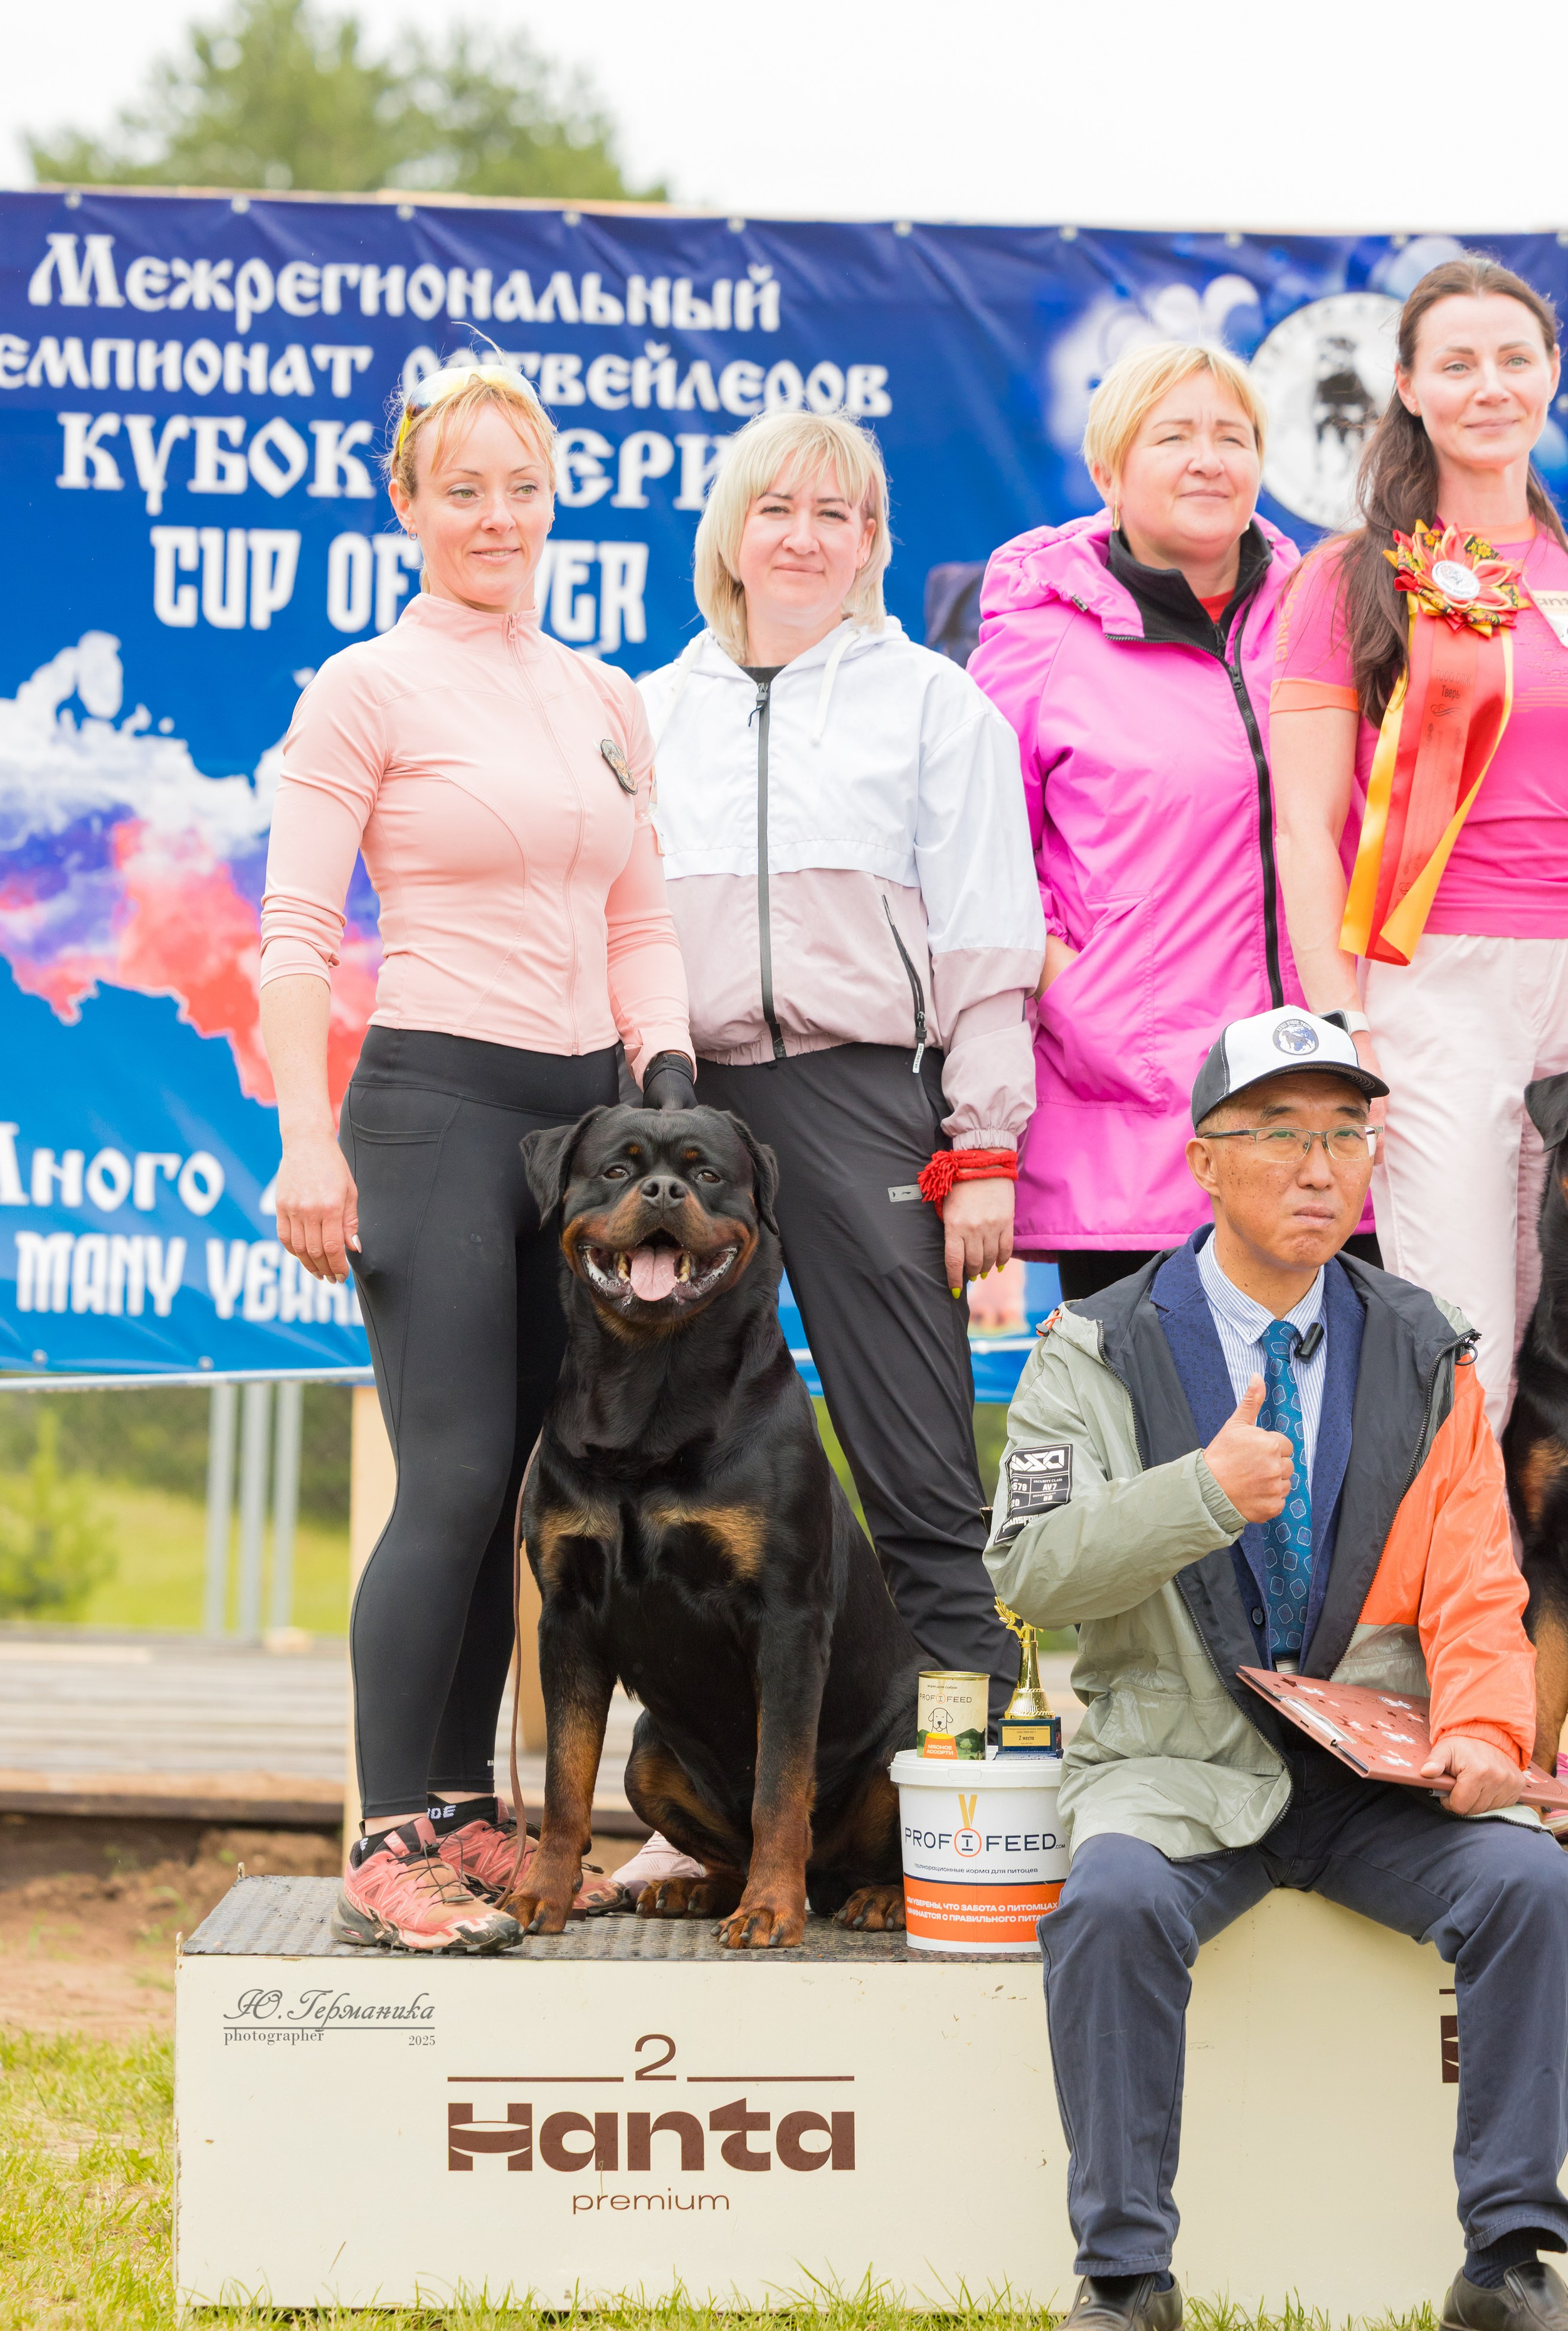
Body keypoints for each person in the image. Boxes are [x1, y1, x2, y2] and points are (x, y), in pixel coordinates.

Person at [987, 1003, 1568, 2331]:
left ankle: (1505, 2257)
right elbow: (1024, 1570)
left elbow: (1477, 1582)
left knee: (1532, 1886)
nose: (1319, 1167)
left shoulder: (1424, 1342)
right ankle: (1124, 2270)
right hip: (1173, 1765)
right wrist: (1197, 1491)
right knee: (1113, 1897)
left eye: (1344, 1134)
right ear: (1201, 1160)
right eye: (1278, 1134)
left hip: (1375, 1782)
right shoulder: (1093, 1343)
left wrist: (1487, 1734)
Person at [259, 356, 694, 1954]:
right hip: (433, 1110)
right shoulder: (364, 687)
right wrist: (307, 1135)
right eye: (463, 488)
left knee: (522, 1486)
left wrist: (664, 1074)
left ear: (552, 496)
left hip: (582, 1134)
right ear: (410, 507)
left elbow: (637, 913)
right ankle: (385, 1838)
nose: (495, 514)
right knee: (445, 1476)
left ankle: (460, 1808)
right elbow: (298, 934)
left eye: (521, 484)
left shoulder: (602, 695)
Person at [642, 404, 1042, 1709]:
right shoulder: (649, 712)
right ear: (731, 533)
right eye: (778, 508)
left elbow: (989, 936)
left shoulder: (934, 704)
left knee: (916, 1464)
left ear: (872, 539)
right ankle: (700, 1794)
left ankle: (968, 1808)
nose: (805, 536)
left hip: (867, 1096)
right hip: (688, 1108)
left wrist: (981, 1144)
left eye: (837, 513)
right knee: (678, 1471)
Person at [970, 339, 1379, 1303]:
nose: (1210, 457)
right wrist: (1094, 993)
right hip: (1140, 1124)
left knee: (1339, 1437)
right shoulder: (1037, 639)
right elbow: (979, 868)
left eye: (1232, 436)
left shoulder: (1327, 616)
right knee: (1155, 1441)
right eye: (1175, 436)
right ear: (1108, 470)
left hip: (1326, 1107)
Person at [1272, 256, 1568, 1436]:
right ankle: (1443, 1622)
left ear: (1552, 375)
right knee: (1465, 1351)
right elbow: (1305, 824)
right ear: (1407, 385)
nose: (1489, 386)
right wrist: (1340, 1018)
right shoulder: (1349, 579)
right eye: (1457, 363)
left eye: (1515, 358)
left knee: (1566, 1363)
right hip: (1432, 989)